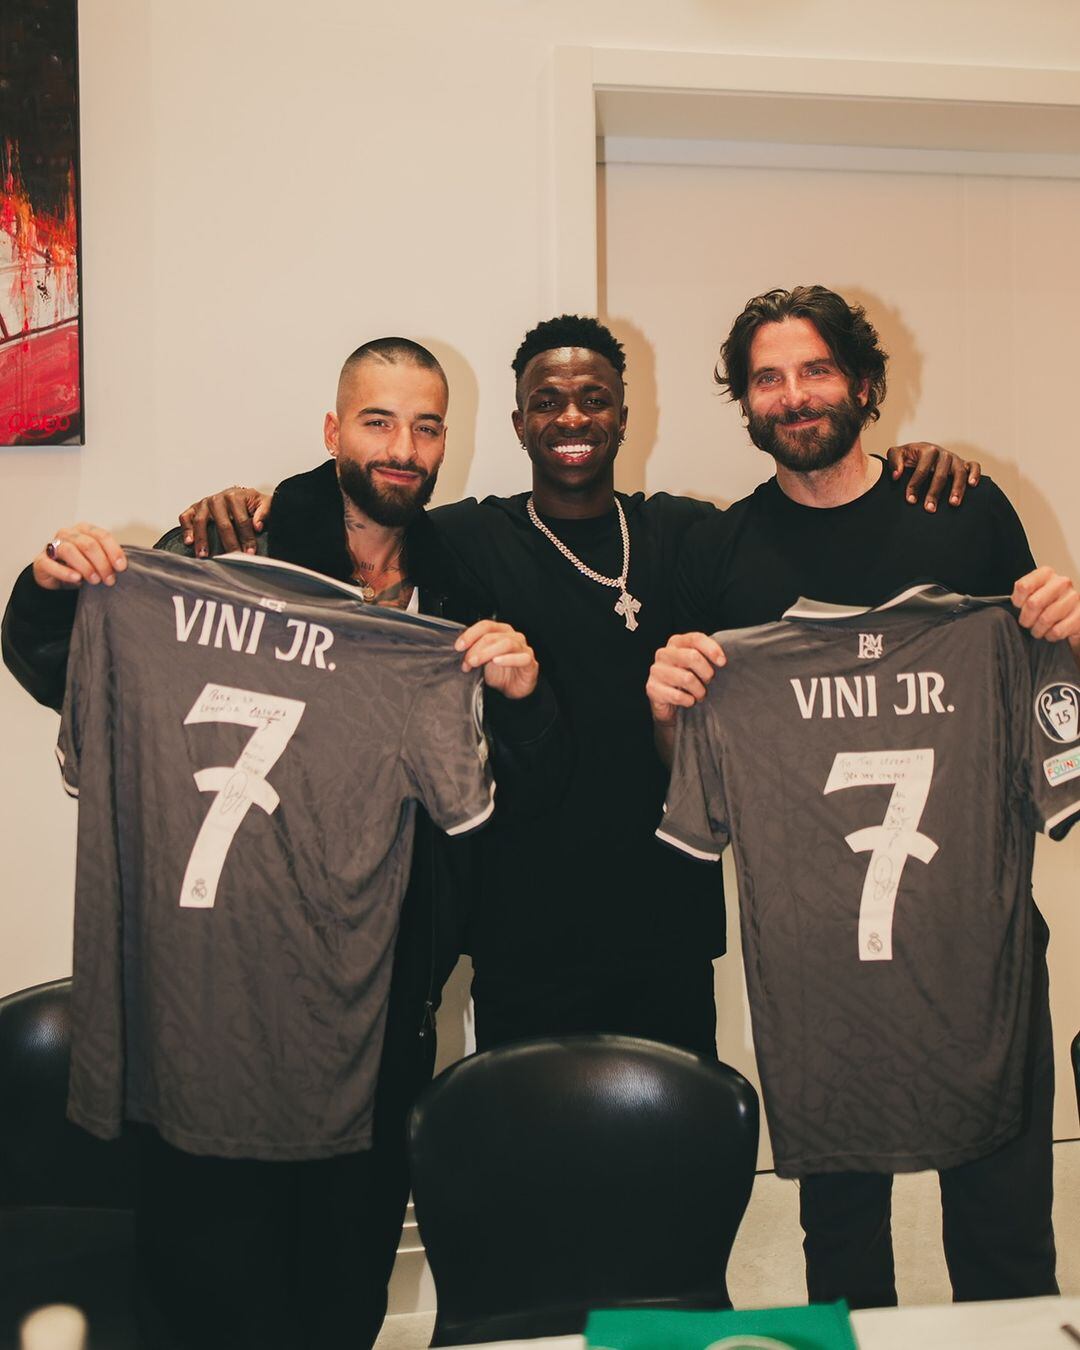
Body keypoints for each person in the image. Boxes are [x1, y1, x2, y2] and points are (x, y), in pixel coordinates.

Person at [177, 316, 979, 1057]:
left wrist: (895, 468)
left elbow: (804, 539)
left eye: (595, 400)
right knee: (526, 1173)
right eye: (547, 402)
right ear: (519, 423)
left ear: (624, 416)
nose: (571, 418)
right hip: (519, 930)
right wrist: (261, 509)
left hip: (665, 924)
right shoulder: (464, 538)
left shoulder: (688, 533)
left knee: (673, 1163)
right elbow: (366, 507)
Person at [2, 337, 558, 1350]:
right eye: (380, 420)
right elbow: (71, 668)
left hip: (380, 999)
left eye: (427, 426)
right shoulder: (231, 544)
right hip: (215, 995)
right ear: (334, 429)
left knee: (340, 1291)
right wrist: (50, 584)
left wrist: (517, 699)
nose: (404, 446)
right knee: (208, 1291)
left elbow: (498, 792)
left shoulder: (461, 580)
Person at [646, 285, 1080, 1309]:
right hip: (818, 969)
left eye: (815, 370)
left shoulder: (964, 510)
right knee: (841, 1256)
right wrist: (669, 708)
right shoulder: (722, 555)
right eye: (767, 379)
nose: (793, 396)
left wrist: (1070, 628)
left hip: (982, 946)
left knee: (1007, 1243)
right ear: (746, 405)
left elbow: (1042, 692)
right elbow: (688, 753)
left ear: (866, 385)